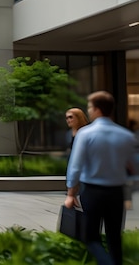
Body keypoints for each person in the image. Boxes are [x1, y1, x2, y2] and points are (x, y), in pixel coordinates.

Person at [65, 91, 136, 265]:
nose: (88, 110)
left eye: (90, 107)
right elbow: (133, 165)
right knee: (114, 237)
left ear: (97, 109)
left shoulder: (85, 134)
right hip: (116, 192)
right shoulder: (126, 136)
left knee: (91, 238)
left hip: (92, 191)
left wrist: (71, 193)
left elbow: (75, 166)